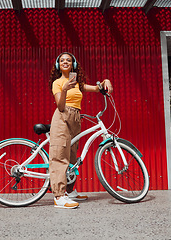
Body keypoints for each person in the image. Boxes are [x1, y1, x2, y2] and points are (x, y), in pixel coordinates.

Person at [48, 52, 113, 209]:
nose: (65, 62)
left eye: (68, 60)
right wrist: (63, 89)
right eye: (62, 60)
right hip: (63, 117)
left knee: (71, 156)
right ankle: (59, 196)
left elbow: (98, 88)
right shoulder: (57, 83)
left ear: (73, 65)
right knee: (60, 155)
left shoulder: (77, 84)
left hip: (76, 119)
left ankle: (69, 191)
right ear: (58, 65)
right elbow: (60, 106)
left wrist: (107, 81)